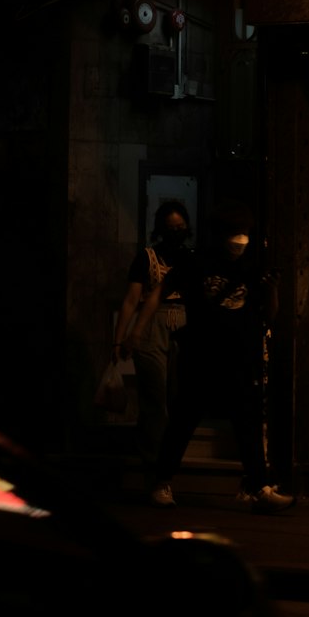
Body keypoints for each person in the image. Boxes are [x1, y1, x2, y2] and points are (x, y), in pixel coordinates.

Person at [133, 198, 295, 515]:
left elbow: (269, 315)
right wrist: (137, 329)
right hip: (202, 356)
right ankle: (161, 482)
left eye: (245, 232)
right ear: (221, 234)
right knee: (183, 420)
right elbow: (159, 292)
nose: (241, 240)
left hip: (241, 357)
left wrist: (273, 290)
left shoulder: (253, 266)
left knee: (247, 423)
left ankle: (258, 486)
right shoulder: (197, 262)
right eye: (236, 232)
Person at [112, 199, 192, 485]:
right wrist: (119, 338)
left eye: (180, 227)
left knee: (178, 396)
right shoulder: (146, 258)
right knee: (155, 396)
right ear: (160, 229)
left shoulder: (190, 258)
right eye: (171, 227)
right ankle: (153, 461)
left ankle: (169, 459)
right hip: (151, 324)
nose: (176, 232)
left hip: (183, 325)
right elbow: (132, 299)